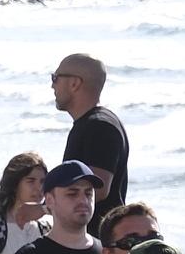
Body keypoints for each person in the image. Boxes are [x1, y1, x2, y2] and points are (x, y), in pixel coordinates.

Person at [52, 51, 129, 216]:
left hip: (100, 238)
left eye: (55, 78)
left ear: (74, 84)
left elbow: (97, 189)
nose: (52, 86)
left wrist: (45, 207)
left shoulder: (99, 127)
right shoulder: (91, 124)